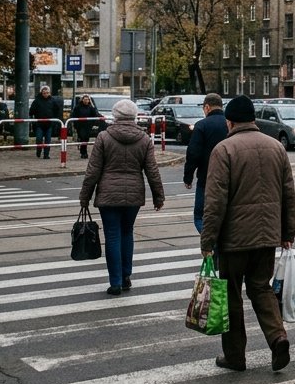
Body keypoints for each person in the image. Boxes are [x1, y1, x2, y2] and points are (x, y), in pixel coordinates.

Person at [201, 96, 295, 372]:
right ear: (253, 120)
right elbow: (288, 194)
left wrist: (208, 240)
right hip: (267, 236)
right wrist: (287, 231)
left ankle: (235, 357)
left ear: (229, 122)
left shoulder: (224, 150)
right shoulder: (276, 147)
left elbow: (215, 202)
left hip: (233, 240)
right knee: (261, 288)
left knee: (231, 295)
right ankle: (278, 337)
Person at [79, 99, 165, 296]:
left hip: (108, 195)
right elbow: (152, 170)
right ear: (134, 116)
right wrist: (158, 196)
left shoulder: (104, 137)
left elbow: (93, 171)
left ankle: (115, 282)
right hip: (134, 195)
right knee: (127, 232)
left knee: (112, 236)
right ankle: (126, 276)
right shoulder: (144, 139)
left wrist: (85, 196)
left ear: (115, 116)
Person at [183, 93, 227, 233]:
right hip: (229, 178)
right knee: (225, 217)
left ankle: (212, 245)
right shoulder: (230, 123)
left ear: (207, 107)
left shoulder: (202, 125)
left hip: (206, 179)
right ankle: (220, 246)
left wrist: (188, 177)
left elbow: (193, 153)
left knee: (200, 217)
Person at [30, 85, 62, 159]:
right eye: (44, 93)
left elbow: (57, 110)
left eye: (47, 93)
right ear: (41, 93)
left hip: (49, 124)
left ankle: (46, 154)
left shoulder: (53, 100)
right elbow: (31, 111)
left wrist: (54, 119)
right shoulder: (37, 101)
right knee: (39, 139)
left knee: (48, 140)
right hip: (39, 124)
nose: (46, 94)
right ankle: (38, 150)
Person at [68, 94, 102, 159]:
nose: (86, 101)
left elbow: (95, 114)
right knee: (82, 138)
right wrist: (75, 125)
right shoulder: (78, 107)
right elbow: (74, 116)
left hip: (88, 126)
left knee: (86, 139)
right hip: (80, 126)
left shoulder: (90, 107)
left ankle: (83, 151)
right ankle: (84, 152)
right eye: (85, 99)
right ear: (82, 100)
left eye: (87, 99)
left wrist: (92, 106)